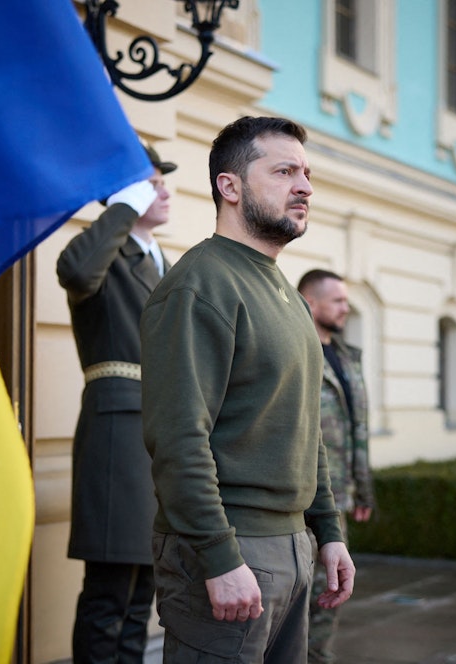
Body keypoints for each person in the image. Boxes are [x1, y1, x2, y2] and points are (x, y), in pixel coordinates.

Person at [140, 116, 355, 662]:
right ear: (229, 186)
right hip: (231, 550)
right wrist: (219, 556)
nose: (304, 187)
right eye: (284, 172)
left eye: (305, 173)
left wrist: (328, 531)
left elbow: (306, 429)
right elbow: (179, 439)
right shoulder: (200, 284)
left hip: (294, 546)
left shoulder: (287, 293)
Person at [57, 140, 177, 663]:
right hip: (119, 434)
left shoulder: (164, 261)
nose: (164, 192)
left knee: (142, 592)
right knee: (110, 592)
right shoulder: (105, 253)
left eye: (161, 182)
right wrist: (121, 207)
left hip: (163, 435)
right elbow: (77, 272)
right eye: (151, 183)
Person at [298, 269, 376, 663]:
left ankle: (318, 657)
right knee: (301, 597)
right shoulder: (297, 349)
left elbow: (358, 427)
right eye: (338, 301)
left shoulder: (347, 357)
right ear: (310, 302)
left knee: (331, 593)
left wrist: (364, 490)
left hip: (339, 497)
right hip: (303, 498)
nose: (346, 308)